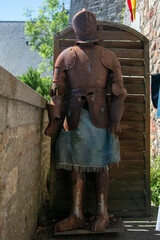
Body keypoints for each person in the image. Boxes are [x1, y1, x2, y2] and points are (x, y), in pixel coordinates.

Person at [45, 8, 127, 232]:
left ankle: (103, 213)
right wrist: (53, 119)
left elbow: (119, 92)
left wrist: (115, 120)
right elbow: (57, 91)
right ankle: (77, 213)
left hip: (100, 116)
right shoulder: (66, 55)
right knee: (76, 163)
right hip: (74, 118)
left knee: (102, 165)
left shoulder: (108, 56)